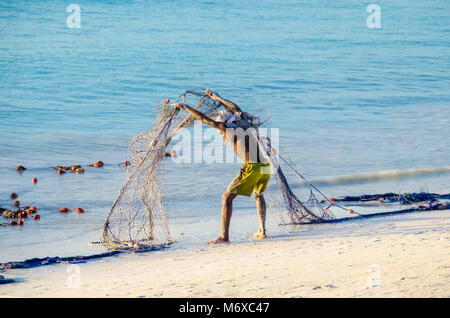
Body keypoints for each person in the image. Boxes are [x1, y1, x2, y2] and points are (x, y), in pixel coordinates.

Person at [175, 89, 271, 244]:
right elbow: (233, 106)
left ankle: (224, 236)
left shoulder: (228, 128)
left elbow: (204, 119)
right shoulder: (243, 120)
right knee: (258, 194)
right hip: (265, 165)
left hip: (253, 166)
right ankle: (262, 230)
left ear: (226, 121)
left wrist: (185, 107)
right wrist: (217, 97)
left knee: (226, 197)